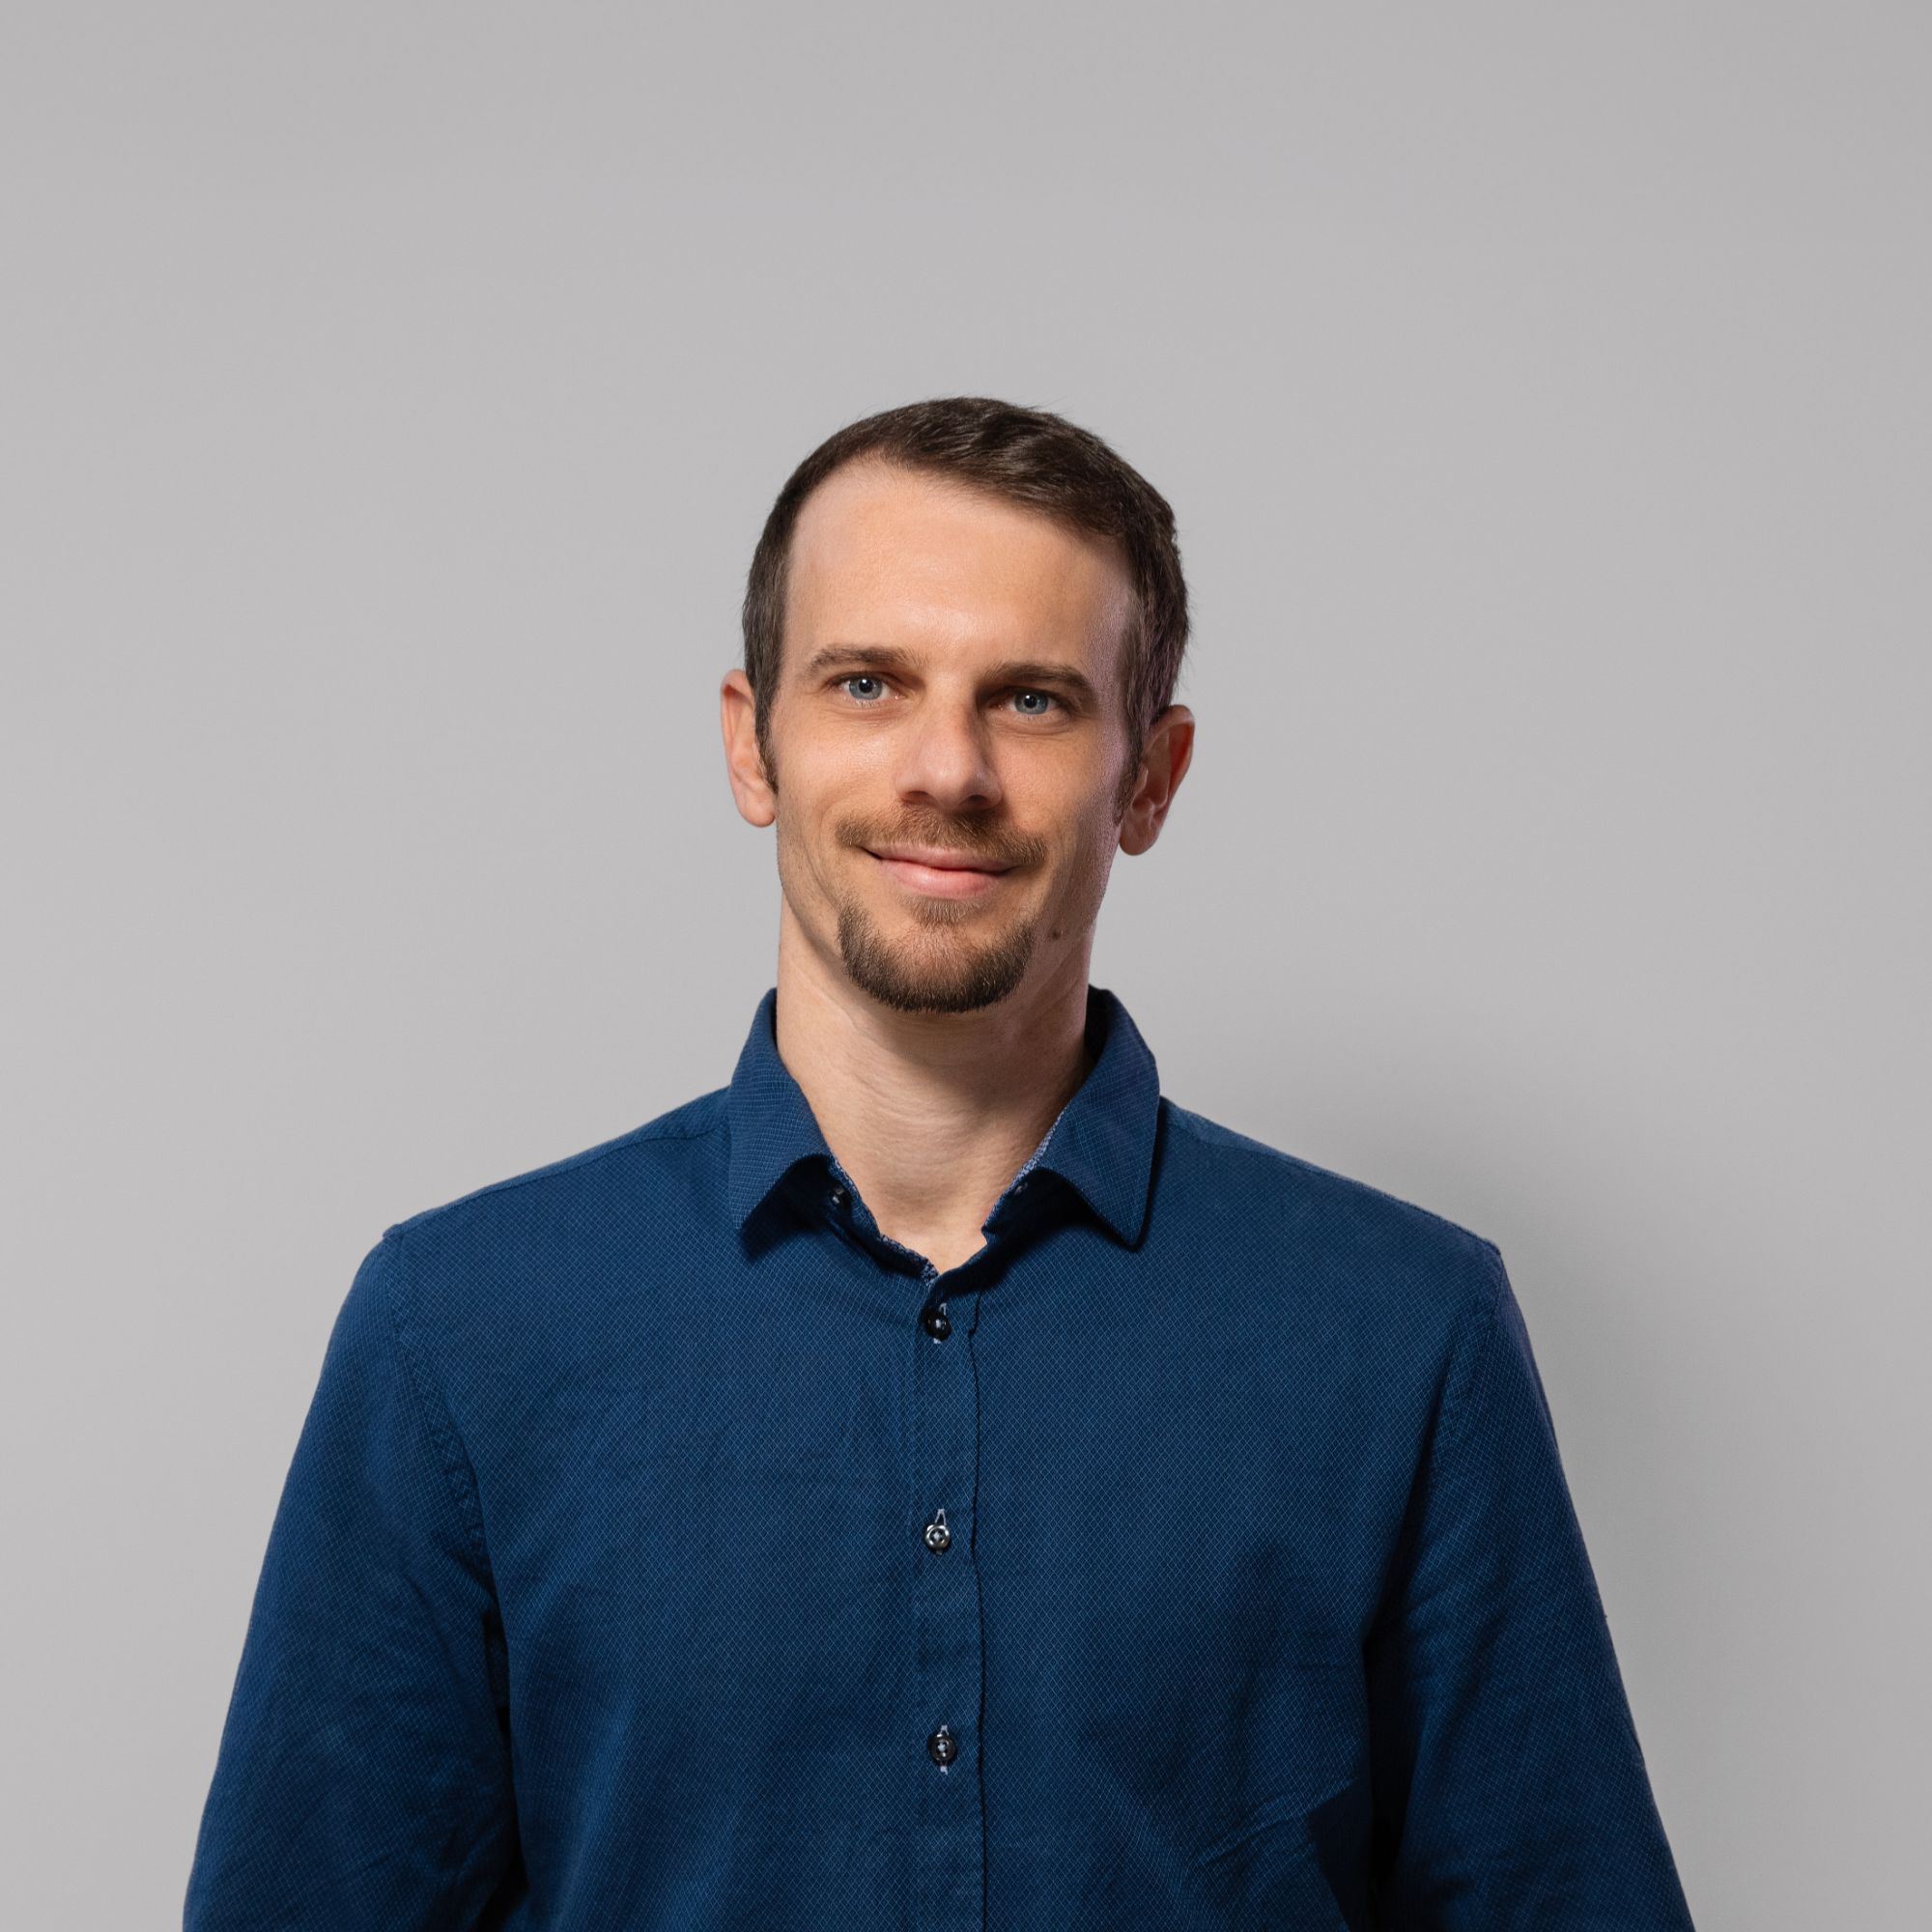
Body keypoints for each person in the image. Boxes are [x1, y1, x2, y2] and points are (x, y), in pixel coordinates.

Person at [184, 397, 1696, 1929]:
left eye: (1031, 700)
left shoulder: (1403, 1332)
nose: (947, 769)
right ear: (752, 742)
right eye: (868, 683)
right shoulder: (461, 1331)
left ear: (1151, 776)